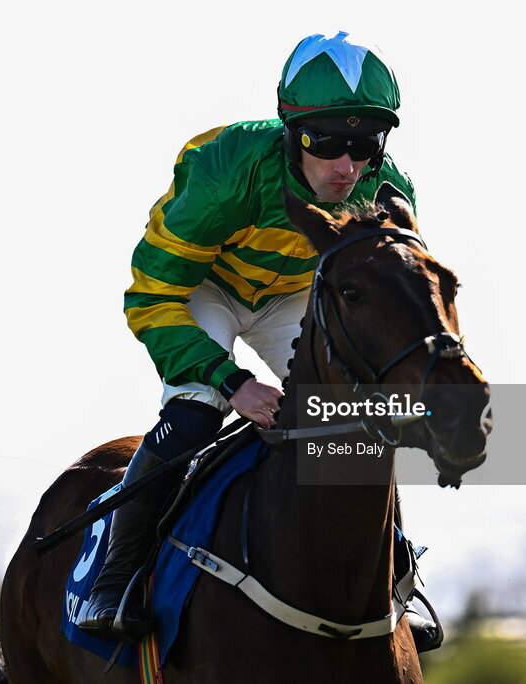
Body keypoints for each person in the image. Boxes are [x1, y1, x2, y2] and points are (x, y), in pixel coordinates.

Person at [78, 31, 440, 651]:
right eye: (326, 143)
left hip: (295, 296)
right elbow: (150, 298)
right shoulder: (226, 173)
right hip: (203, 288)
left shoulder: (387, 195)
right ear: (291, 132)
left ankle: (395, 573)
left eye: (363, 144)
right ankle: (114, 579)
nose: (346, 166)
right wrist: (232, 381)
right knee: (197, 414)